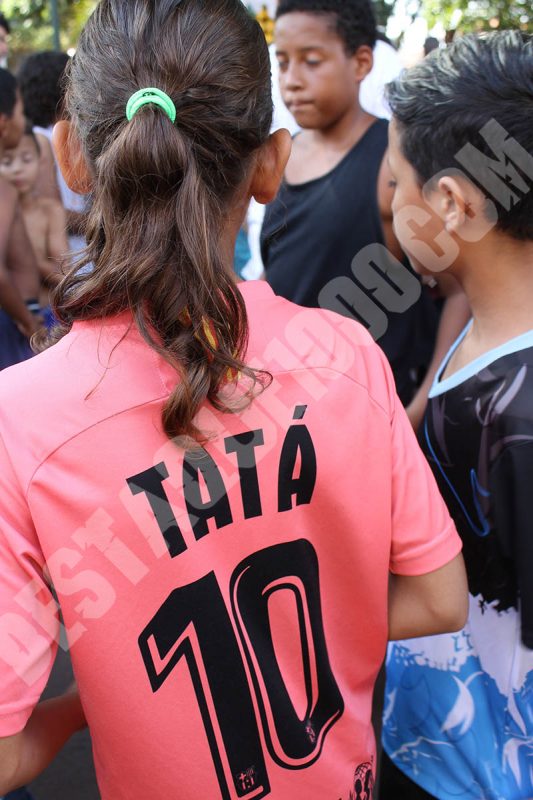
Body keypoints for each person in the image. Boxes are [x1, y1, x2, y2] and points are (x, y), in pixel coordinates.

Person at [0, 1, 467, 797]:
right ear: (269, 165)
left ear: (72, 153)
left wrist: (83, 702)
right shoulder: (346, 356)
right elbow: (437, 596)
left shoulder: (20, 419)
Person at [381, 31, 533, 800]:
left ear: (449, 201)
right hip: (434, 742)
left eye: (396, 181)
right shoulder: (483, 324)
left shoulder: (521, 417)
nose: (391, 206)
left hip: (479, 775)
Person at [260, 0, 469, 409]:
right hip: (296, 412)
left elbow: (458, 290)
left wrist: (422, 406)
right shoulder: (281, 157)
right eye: (282, 63)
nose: (292, 80)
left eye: (311, 61)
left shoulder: (394, 164)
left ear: (360, 63)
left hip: (377, 408)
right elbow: (287, 268)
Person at [18, 51, 88, 253]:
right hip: (67, 254)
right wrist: (98, 222)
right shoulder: (38, 140)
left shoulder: (70, 131)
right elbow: (47, 206)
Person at [0, 120, 67, 325]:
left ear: (40, 160)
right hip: (9, 315)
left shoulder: (50, 211)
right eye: (7, 162)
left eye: (26, 159)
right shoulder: (4, 215)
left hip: (47, 312)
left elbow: (64, 274)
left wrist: (29, 260)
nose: (17, 169)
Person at [0, 68, 41, 370]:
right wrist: (28, 321)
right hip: (14, 321)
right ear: (3, 122)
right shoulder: (2, 190)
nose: (23, 119)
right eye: (19, 110)